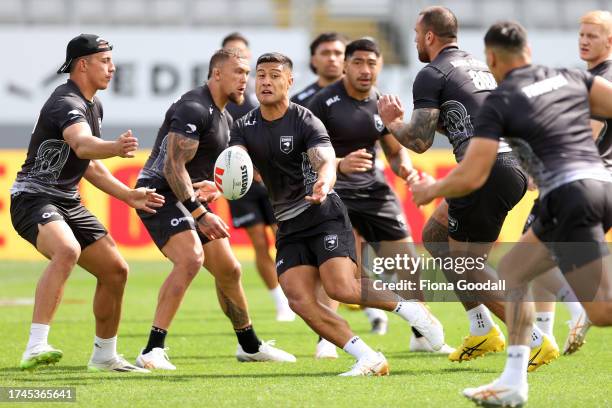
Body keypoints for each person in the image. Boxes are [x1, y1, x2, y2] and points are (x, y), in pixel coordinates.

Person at [406, 21, 612, 406]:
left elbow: (473, 171)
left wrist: (431, 189)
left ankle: (517, 374)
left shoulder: (500, 101)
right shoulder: (568, 76)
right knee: (515, 271)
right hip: (599, 184)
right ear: (530, 51)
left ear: (492, 59)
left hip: (570, 194)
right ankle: (514, 381)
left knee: (602, 310)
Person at [230, 52, 446, 376]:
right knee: (298, 299)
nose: (265, 81)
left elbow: (326, 159)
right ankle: (368, 357)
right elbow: (238, 164)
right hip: (288, 224)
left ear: (289, 82)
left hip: (323, 213)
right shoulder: (244, 126)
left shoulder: (304, 119)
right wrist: (217, 183)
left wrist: (324, 180)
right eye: (260, 75)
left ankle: (408, 308)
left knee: (341, 288)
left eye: (275, 75)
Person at [377, 7, 563, 366]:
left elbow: (418, 141)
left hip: (486, 168)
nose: (415, 39)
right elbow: (466, 121)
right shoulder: (478, 67)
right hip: (509, 165)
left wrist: (393, 122)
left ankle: (535, 338)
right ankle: (482, 328)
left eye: (417, 33)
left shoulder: (431, 73)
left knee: (467, 265)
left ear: (430, 36)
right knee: (435, 235)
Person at [133, 49, 295, 370]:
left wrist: (214, 187)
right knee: (190, 258)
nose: (245, 81)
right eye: (239, 73)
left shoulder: (224, 116)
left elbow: (212, 168)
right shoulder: (194, 107)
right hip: (158, 195)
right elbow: (172, 166)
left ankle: (249, 345)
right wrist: (200, 214)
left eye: (248, 74)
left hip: (188, 196)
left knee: (230, 270)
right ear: (217, 74)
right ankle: (152, 350)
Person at [10, 34, 164, 372]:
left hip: (66, 200)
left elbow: (88, 165)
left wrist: (128, 196)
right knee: (67, 250)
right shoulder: (66, 102)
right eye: (105, 61)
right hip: (32, 198)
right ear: (83, 64)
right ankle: (35, 346)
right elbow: (82, 146)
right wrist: (114, 147)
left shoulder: (93, 104)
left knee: (116, 270)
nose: (112, 68)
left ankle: (104, 356)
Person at [308, 37, 453, 357]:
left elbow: (394, 153)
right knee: (340, 269)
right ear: (345, 65)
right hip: (335, 192)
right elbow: (305, 155)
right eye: (357, 62)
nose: (364, 70)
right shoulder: (321, 103)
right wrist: (339, 164)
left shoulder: (381, 103)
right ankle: (327, 341)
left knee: (407, 264)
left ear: (380, 67)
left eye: (371, 63)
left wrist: (409, 173)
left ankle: (421, 335)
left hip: (375, 192)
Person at [531, 9, 612, 355]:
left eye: (592, 35)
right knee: (534, 261)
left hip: (581, 185)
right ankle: (545, 334)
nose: (583, 40)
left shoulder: (601, 82)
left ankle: (579, 308)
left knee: (527, 259)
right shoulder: (594, 76)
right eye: (581, 34)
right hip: (597, 183)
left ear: (610, 40)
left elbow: (587, 137)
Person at [222, 32, 294, 321]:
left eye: (240, 53)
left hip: (270, 180)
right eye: (230, 53)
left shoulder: (262, 95)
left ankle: (294, 293)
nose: (236, 58)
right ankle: (280, 302)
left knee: (283, 237)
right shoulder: (219, 101)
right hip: (239, 183)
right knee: (258, 242)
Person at [291, 32, 347, 107]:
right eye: (325, 53)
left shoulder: (362, 94)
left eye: (338, 53)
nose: (332, 58)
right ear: (313, 60)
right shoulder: (298, 102)